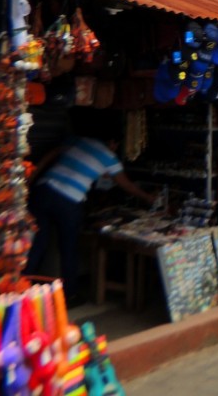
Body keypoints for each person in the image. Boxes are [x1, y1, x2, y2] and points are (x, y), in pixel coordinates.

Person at [24, 127, 156, 304]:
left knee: (37, 243)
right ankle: (69, 295)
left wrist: (32, 175)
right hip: (68, 200)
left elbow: (51, 154)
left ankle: (22, 289)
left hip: (42, 190)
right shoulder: (110, 158)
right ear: (113, 142)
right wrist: (148, 198)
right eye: (116, 145)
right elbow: (127, 186)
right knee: (68, 248)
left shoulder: (79, 140)